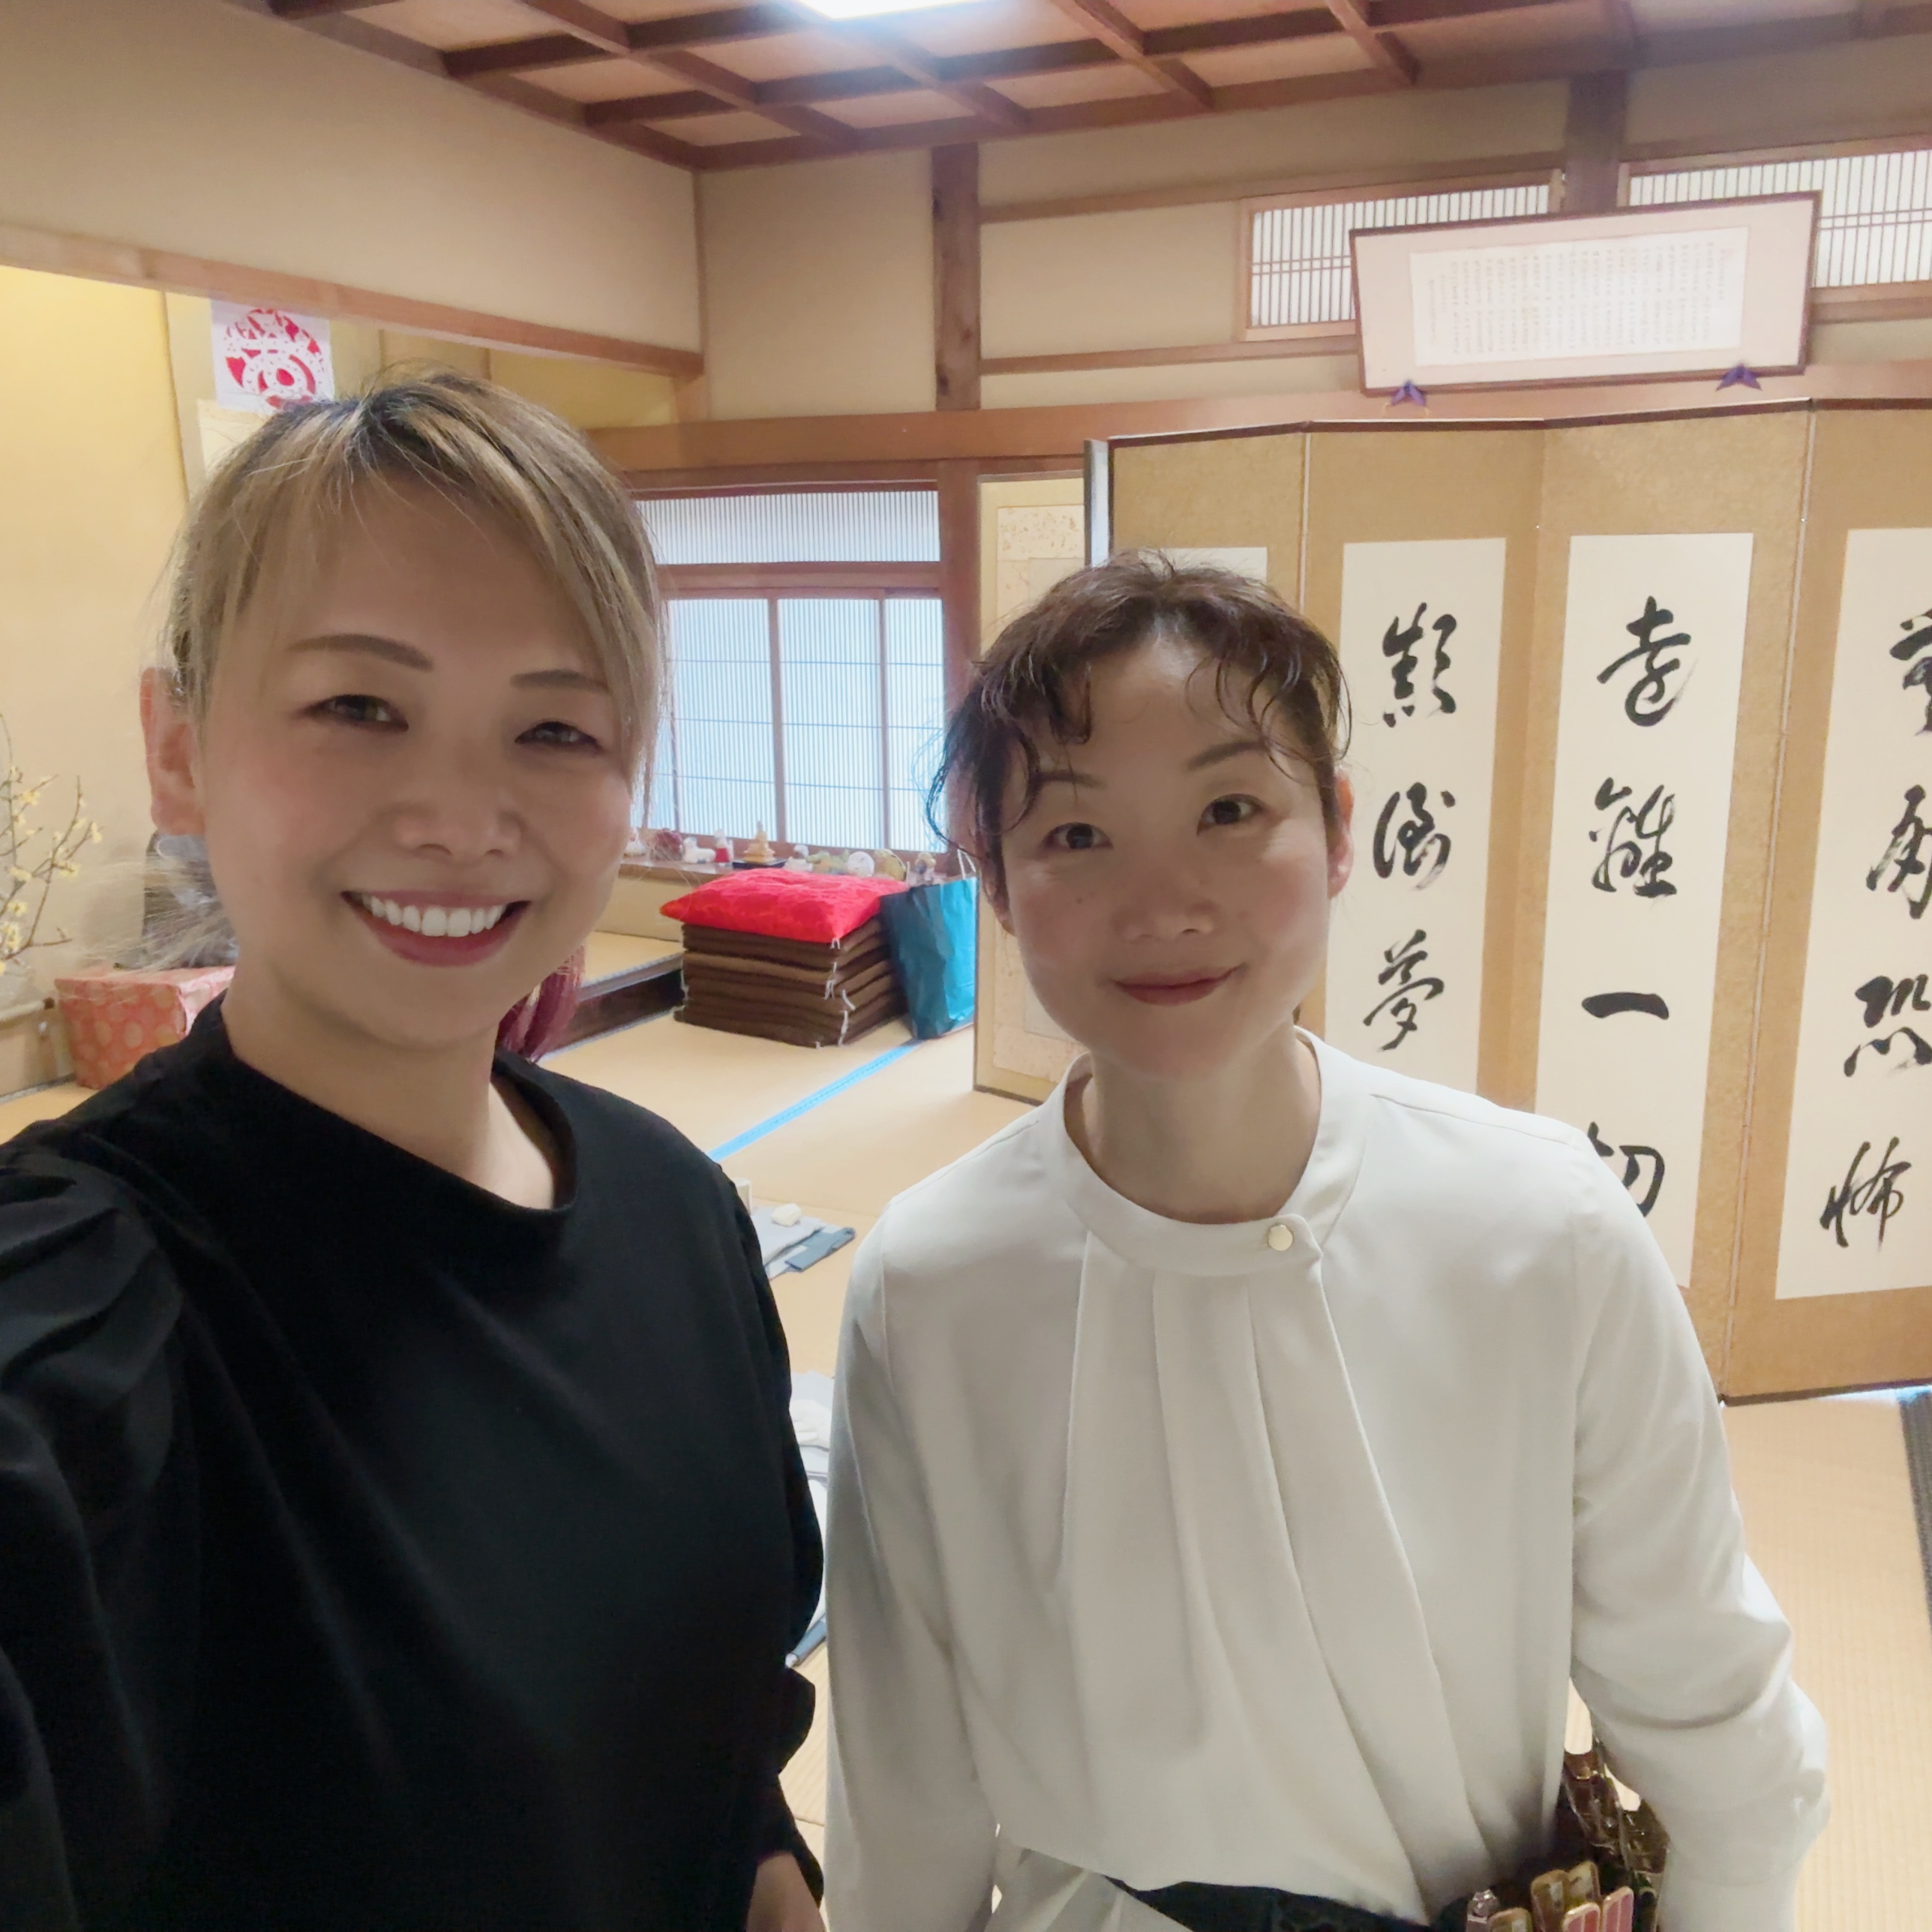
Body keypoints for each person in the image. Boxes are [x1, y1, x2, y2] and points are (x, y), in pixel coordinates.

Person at [824, 556, 1828, 1932]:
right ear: (993, 878)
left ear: (1339, 829)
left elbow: (1724, 1737)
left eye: (1229, 810)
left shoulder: (1540, 1226)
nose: (1166, 902)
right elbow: (902, 1779)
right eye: (1078, 834)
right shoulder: (930, 1281)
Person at [0, 376, 824, 1932]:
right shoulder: (92, 1318)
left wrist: (767, 1863)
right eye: (359, 708)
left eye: (555, 727)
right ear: (177, 748)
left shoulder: (676, 1207)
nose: (460, 816)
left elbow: (717, 1715)